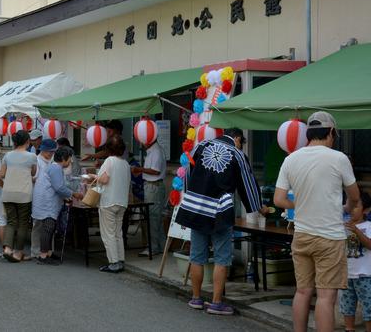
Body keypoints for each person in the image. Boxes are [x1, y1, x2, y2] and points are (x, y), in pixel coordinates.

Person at [274, 112, 360, 331]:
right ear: (331, 132)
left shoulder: (290, 159)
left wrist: (302, 203)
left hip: (302, 236)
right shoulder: (338, 158)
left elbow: (279, 200)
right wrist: (348, 208)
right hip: (329, 238)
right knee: (325, 297)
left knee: (302, 291)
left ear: (308, 134)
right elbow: (354, 195)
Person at [176, 128, 266, 316]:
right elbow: (247, 184)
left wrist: (190, 198)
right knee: (222, 257)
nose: (241, 145)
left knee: (197, 256)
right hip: (219, 211)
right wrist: (258, 207)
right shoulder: (237, 154)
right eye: (242, 142)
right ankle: (216, 303)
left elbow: (187, 173)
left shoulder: (200, 146)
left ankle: (196, 298)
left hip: (196, 207)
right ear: (237, 138)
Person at [32, 146, 83, 265]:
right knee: (48, 227)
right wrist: (73, 194)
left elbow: (58, 186)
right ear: (64, 158)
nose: (70, 161)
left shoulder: (53, 167)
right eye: (69, 159)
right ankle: (43, 256)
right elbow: (59, 187)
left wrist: (67, 196)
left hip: (45, 201)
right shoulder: (56, 168)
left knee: (49, 228)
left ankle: (48, 252)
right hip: (47, 203)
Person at [87, 135, 130, 273]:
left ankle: (113, 262)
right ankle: (120, 260)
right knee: (118, 232)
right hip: (122, 202)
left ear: (108, 149)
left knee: (108, 234)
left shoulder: (109, 161)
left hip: (109, 202)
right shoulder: (126, 164)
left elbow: (104, 180)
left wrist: (93, 176)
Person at [0, 130, 37, 262]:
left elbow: (2, 174)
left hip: (8, 192)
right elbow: (33, 173)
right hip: (24, 193)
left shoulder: (7, 156)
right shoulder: (32, 156)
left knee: (11, 221)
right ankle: (18, 252)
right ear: (27, 141)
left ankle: (8, 249)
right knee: (22, 223)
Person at [339, 192, 371, 332]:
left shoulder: (369, 226)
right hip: (347, 275)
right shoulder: (342, 226)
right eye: (349, 205)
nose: (351, 208)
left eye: (356, 206)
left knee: (368, 307)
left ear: (366, 210)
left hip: (365, 274)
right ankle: (349, 328)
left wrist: (356, 231)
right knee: (347, 307)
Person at [131, 138, 167, 256]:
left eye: (143, 140)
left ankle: (153, 247)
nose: (141, 143)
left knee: (152, 217)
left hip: (153, 186)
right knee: (157, 218)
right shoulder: (153, 150)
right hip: (152, 186)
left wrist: (139, 169)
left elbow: (155, 171)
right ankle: (161, 245)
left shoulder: (156, 151)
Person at [31, 138, 58, 257]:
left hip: (51, 197)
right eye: (49, 152)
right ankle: (36, 251)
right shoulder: (36, 161)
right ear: (43, 150)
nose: (51, 154)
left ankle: (48, 251)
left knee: (49, 225)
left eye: (53, 152)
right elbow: (32, 177)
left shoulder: (53, 161)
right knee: (38, 225)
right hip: (39, 196)